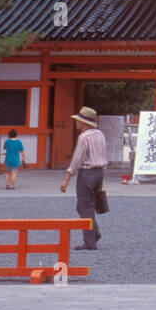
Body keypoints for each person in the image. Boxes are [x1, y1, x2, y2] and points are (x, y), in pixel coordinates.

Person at [59, 107, 107, 250]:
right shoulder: (100, 134)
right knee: (89, 205)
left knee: (84, 206)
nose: (76, 123)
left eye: (78, 120)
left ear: (84, 123)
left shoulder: (84, 137)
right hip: (99, 172)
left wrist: (67, 178)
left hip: (87, 173)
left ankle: (90, 241)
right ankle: (93, 233)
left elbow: (76, 159)